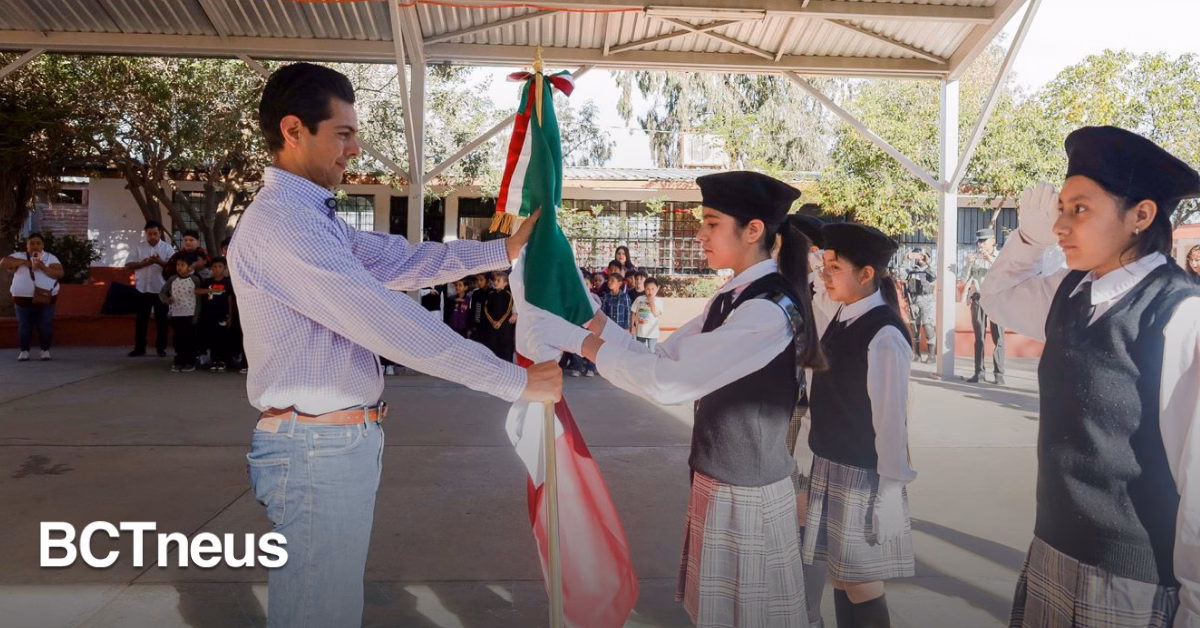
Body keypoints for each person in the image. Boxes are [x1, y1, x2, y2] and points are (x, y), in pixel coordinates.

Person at [226, 62, 561, 628]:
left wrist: (500, 251)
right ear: (293, 130)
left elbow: (398, 260)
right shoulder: (284, 225)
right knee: (318, 611)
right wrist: (515, 381)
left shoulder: (310, 218)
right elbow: (385, 320)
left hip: (330, 441)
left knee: (326, 605)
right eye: (343, 134)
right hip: (316, 445)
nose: (354, 149)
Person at [525, 170, 824, 627]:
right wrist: (589, 319)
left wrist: (580, 342)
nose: (700, 235)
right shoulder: (732, 297)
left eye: (711, 223)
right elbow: (661, 356)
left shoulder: (766, 309)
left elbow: (669, 381)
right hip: (721, 478)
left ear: (753, 230)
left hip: (748, 489)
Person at [981, 126, 1200, 628]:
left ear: (1141, 216)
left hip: (1131, 583)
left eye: (1079, 209)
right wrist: (1028, 240)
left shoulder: (1178, 313)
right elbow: (998, 298)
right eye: (1060, 208)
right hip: (1052, 549)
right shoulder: (1071, 290)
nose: (1060, 225)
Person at [800, 222, 916, 628]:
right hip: (831, 464)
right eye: (825, 265)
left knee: (861, 581)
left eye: (835, 268)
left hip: (863, 474)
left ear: (866, 274)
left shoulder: (884, 333)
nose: (826, 275)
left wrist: (890, 491)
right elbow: (816, 283)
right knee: (842, 576)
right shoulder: (843, 312)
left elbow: (891, 421)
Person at [2, 232, 64, 361]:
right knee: (24, 325)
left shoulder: (50, 257)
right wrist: (25, 262)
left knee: (45, 325)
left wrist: (43, 267)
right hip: (22, 300)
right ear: (27, 245)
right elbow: (3, 263)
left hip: (45, 299)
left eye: (38, 243)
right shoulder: (19, 256)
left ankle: (45, 350)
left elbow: (59, 273)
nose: (35, 246)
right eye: (32, 243)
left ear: (43, 245)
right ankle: (24, 351)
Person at [125, 220, 175, 357]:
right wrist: (143, 263)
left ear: (160, 233)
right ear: (145, 233)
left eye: (155, 233)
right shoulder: (138, 247)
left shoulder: (167, 248)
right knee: (141, 320)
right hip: (142, 289)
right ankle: (139, 348)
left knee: (162, 320)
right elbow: (128, 265)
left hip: (161, 289)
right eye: (149, 234)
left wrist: (159, 262)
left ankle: (161, 348)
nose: (152, 236)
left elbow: (173, 267)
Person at [962, 227, 1005, 384]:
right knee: (979, 337)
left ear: (993, 241)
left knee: (998, 338)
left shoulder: (1001, 256)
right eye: (978, 242)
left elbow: (1006, 274)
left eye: (983, 241)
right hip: (979, 299)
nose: (980, 245)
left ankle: (999, 375)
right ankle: (979, 372)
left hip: (996, 299)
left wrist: (990, 261)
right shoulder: (976, 257)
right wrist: (968, 264)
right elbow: (964, 278)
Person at [160, 257, 203, 373]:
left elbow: (198, 299)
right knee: (178, 339)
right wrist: (167, 300)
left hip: (190, 313)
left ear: (189, 267)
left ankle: (190, 361)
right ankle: (179, 361)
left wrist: (196, 315)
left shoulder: (195, 279)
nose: (179, 267)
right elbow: (162, 293)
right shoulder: (172, 279)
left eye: (182, 265)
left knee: (190, 338)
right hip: (176, 313)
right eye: (178, 265)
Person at [198, 256, 236, 372]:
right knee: (212, 338)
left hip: (223, 315)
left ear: (225, 268)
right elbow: (197, 291)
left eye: (220, 267)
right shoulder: (208, 282)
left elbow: (230, 299)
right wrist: (210, 290)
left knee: (222, 338)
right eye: (214, 267)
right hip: (209, 315)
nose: (217, 269)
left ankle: (223, 361)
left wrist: (230, 315)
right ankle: (214, 360)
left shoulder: (228, 282)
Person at [902, 247, 937, 363]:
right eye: (917, 255)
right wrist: (905, 260)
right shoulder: (912, 270)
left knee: (927, 326)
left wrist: (928, 262)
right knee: (914, 327)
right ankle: (917, 354)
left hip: (927, 301)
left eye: (921, 255)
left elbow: (934, 275)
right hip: (913, 301)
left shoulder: (930, 269)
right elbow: (901, 275)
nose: (919, 257)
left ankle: (931, 355)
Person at [484, 271, 516, 362]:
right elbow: (486, 309)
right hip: (492, 325)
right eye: (495, 280)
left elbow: (508, 310)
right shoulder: (490, 294)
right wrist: (493, 321)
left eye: (498, 280)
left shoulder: (508, 295)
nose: (495, 282)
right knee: (492, 346)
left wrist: (500, 322)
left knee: (505, 347)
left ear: (505, 283)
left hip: (504, 326)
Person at [631, 277, 664, 350]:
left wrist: (651, 302)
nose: (650, 291)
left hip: (652, 333)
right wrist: (633, 326)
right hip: (640, 331)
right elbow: (633, 312)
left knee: (652, 350)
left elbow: (656, 313)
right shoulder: (639, 299)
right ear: (644, 288)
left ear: (657, 288)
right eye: (648, 289)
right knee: (641, 350)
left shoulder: (658, 301)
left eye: (653, 289)